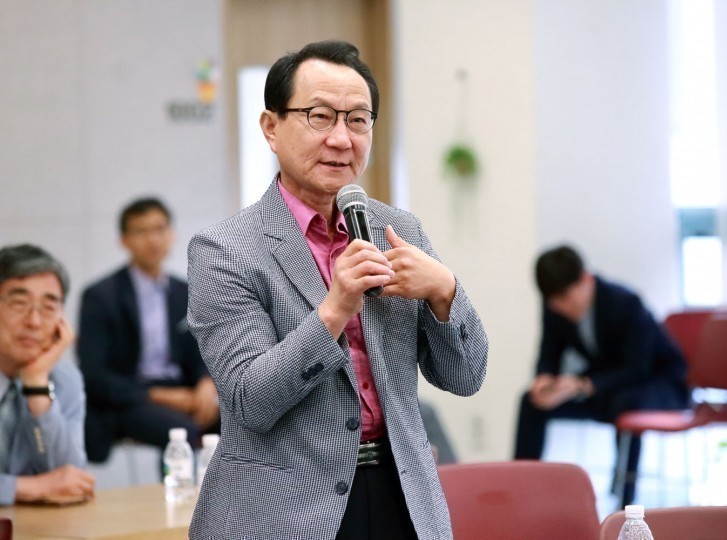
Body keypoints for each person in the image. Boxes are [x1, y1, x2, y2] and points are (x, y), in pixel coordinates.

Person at [186, 40, 488, 539]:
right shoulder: (225, 250)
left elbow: (465, 376)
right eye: (320, 117)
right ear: (271, 127)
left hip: (402, 495)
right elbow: (249, 401)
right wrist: (334, 309)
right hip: (284, 509)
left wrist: (445, 291)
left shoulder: (398, 230)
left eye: (358, 120)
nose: (342, 139)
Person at [513, 245, 688, 506]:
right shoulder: (554, 306)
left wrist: (582, 385)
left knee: (625, 402)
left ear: (585, 279)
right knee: (531, 402)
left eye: (565, 297)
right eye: (553, 302)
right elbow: (549, 351)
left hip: (657, 382)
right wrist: (545, 378)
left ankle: (625, 501)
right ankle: (519, 489)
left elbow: (636, 368)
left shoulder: (626, 303)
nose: (561, 307)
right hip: (605, 386)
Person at [77, 198, 219, 463]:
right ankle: (178, 491)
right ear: (124, 240)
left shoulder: (185, 291)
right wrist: (161, 396)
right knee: (180, 430)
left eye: (159, 229)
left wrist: (206, 383)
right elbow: (94, 374)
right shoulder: (100, 296)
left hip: (184, 390)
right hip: (130, 396)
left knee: (245, 419)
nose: (153, 239)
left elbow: (205, 348)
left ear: (172, 234)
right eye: (141, 231)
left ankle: (237, 491)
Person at [0, 244, 94, 505]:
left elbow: (71, 479)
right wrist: (27, 487)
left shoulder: (64, 379)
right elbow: (51, 485)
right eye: (19, 304)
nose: (34, 321)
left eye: (48, 307)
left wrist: (37, 386)